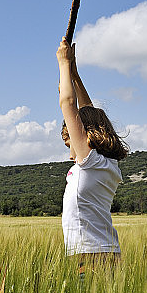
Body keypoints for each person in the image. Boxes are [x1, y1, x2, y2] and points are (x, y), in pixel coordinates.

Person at [56, 37, 128, 271]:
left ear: (85, 137)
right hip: (104, 252)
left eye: (71, 144)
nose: (70, 154)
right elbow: (87, 112)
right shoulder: (107, 165)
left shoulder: (91, 162)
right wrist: (74, 75)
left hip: (90, 255)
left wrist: (63, 64)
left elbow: (68, 104)